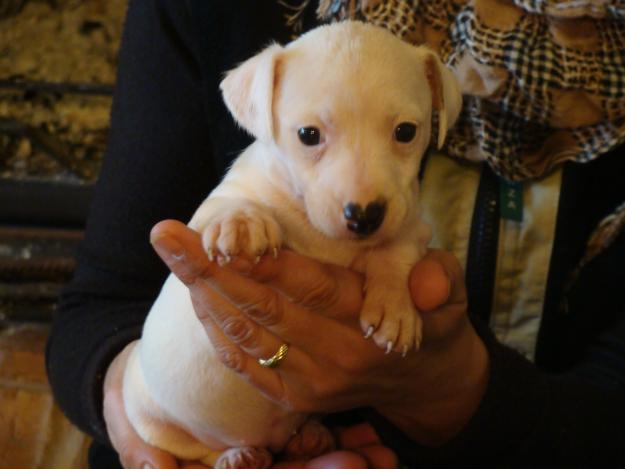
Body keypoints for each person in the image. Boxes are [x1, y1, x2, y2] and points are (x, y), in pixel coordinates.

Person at [46, 0, 625, 468]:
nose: (362, 196)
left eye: (403, 133)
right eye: (310, 136)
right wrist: (125, 396)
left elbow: (403, 245)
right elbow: (97, 303)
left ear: (437, 110)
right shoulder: (234, 54)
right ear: (263, 115)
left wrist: (453, 389)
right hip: (173, 422)